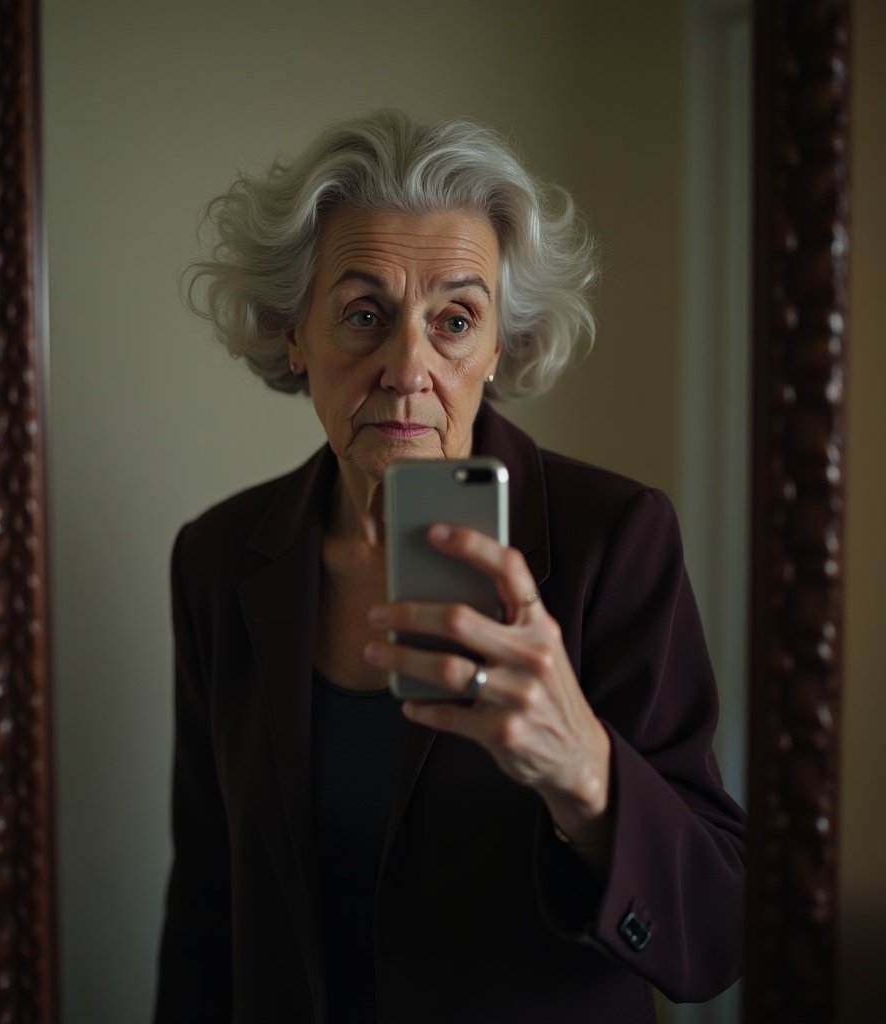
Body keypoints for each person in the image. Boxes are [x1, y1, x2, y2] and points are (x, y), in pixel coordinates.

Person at [153, 109, 745, 1024]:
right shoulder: (220, 557)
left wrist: (581, 767)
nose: (408, 368)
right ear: (295, 336)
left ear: (499, 346)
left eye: (455, 319)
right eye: (362, 315)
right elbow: (207, 899)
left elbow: (715, 937)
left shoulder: (614, 539)